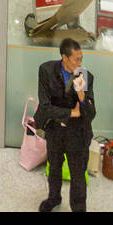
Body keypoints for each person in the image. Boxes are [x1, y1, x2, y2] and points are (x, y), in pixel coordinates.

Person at [35, 37, 96, 213]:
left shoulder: (85, 77)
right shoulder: (46, 71)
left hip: (77, 132)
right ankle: (53, 198)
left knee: (78, 173)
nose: (80, 63)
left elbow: (91, 114)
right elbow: (45, 107)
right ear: (64, 57)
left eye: (81, 58)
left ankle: (78, 207)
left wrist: (82, 96)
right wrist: (71, 113)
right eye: (76, 59)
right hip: (55, 129)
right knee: (54, 166)